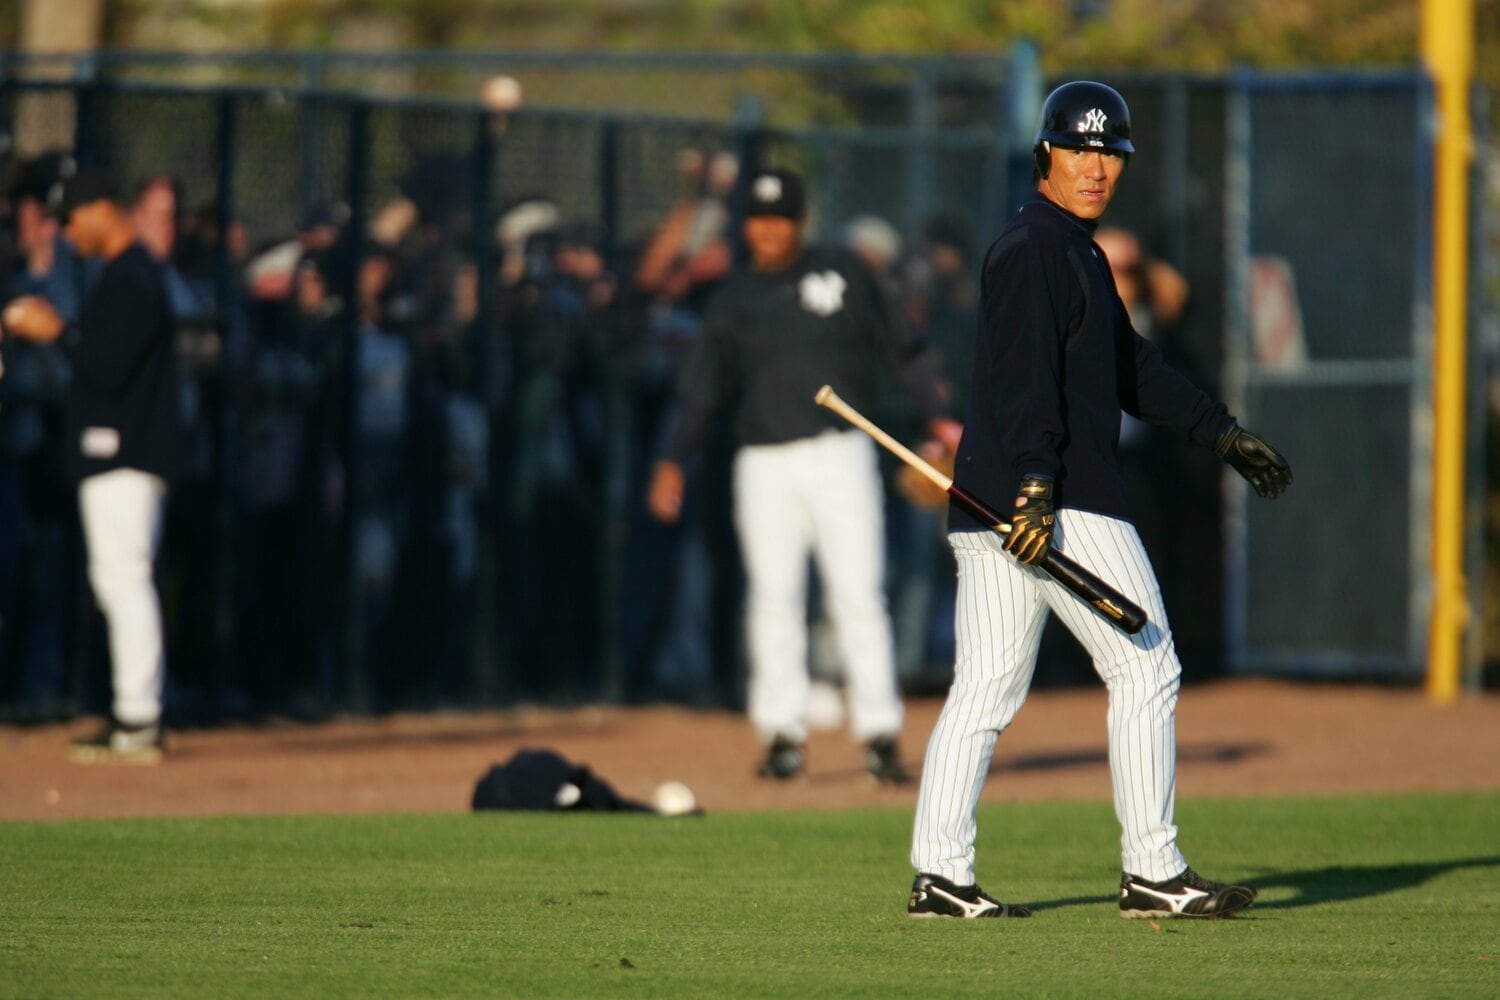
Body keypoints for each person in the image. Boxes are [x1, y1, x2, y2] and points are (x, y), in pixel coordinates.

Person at [906, 82, 1292, 919]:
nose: (1094, 167)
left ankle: (940, 877)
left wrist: (1219, 433)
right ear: (1045, 155)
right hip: (1055, 498)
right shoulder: (1035, 248)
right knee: (1146, 664)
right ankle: (1152, 869)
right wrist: (1036, 487)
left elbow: (1129, 368)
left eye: (1109, 153)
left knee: (984, 691)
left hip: (1001, 500)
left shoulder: (1067, 250)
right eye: (1079, 149)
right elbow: (1023, 379)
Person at [647, 166, 960, 785]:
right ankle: (782, 734)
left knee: (858, 593)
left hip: (840, 453)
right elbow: (701, 391)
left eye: (779, 219)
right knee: (773, 596)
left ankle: (879, 732)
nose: (767, 230)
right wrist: (672, 459)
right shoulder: (734, 298)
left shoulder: (844, 272)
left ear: (801, 222)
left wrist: (940, 416)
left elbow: (901, 348)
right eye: (758, 219)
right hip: (763, 461)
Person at [3, 168, 186, 762]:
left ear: (103, 210)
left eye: (73, 218)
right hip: (121, 452)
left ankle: (139, 715)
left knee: (123, 577)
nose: (69, 231)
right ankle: (133, 711)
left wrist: (57, 331)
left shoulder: (132, 274)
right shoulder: (125, 273)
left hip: (125, 453)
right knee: (119, 578)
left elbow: (107, 366)